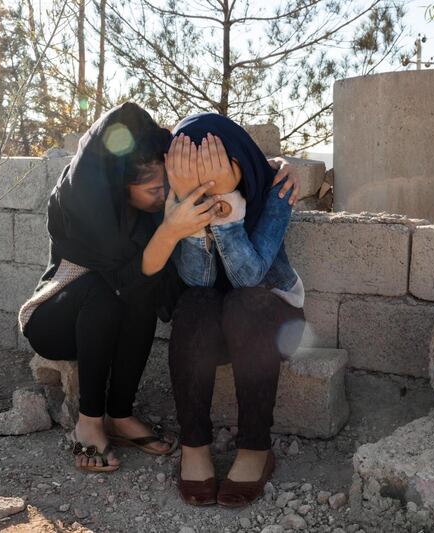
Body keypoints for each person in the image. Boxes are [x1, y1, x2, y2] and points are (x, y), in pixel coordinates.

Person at [18, 103, 302, 473]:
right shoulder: (92, 208)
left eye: (167, 183)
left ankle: (123, 415)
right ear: (122, 188)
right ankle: (92, 422)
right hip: (62, 314)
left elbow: (216, 170)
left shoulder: (163, 203)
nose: (164, 193)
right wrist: (176, 228)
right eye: (154, 189)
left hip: (227, 312)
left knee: (155, 294)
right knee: (115, 294)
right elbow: (138, 277)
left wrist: (258, 172)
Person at [165, 113, 306, 507]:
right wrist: (193, 215)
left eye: (215, 168)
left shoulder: (274, 188)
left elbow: (249, 276)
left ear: (239, 163)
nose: (206, 181)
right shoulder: (175, 196)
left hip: (271, 319)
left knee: (245, 302)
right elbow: (199, 281)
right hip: (215, 322)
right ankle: (194, 445)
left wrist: (227, 206)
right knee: (194, 303)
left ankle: (255, 449)